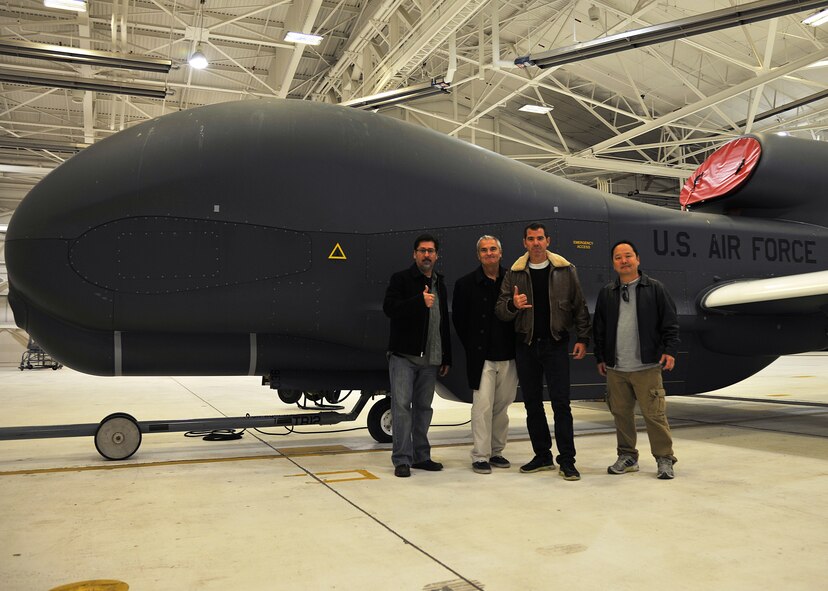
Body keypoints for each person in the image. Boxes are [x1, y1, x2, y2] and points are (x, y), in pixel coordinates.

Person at [495, 222, 590, 481]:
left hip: (556, 344)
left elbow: (579, 306)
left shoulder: (565, 270)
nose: (535, 243)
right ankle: (542, 456)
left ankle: (567, 460)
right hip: (526, 346)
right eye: (531, 239)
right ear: (524, 243)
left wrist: (583, 337)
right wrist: (513, 305)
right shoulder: (514, 273)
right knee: (532, 405)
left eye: (539, 238)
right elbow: (501, 309)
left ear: (548, 241)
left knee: (561, 405)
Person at [592, 240, 679, 480]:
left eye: (628, 256)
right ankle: (627, 457)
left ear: (637, 259)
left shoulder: (655, 289)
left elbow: (670, 323)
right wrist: (601, 358)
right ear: (613, 263)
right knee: (621, 414)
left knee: (654, 415)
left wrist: (670, 350)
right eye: (618, 257)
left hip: (647, 366)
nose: (624, 261)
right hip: (616, 368)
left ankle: (664, 458)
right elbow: (599, 329)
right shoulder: (607, 293)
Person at [383, 233, 451, 478]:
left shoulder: (440, 283)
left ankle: (421, 456)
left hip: (431, 359)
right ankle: (402, 459)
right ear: (414, 254)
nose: (426, 255)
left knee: (424, 408)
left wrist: (446, 356)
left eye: (431, 251)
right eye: (422, 251)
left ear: (436, 256)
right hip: (404, 356)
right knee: (401, 407)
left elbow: (443, 322)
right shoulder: (400, 279)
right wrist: (418, 301)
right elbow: (389, 309)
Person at [452, 235, 518, 474]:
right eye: (484, 250)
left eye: (493, 249)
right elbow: (459, 320)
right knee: (482, 407)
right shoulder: (465, 284)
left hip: (510, 355)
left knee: (502, 408)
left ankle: (497, 451)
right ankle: (480, 455)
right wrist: (473, 346)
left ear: (500, 253)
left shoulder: (514, 280)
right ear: (478, 255)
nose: (489, 253)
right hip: (482, 359)